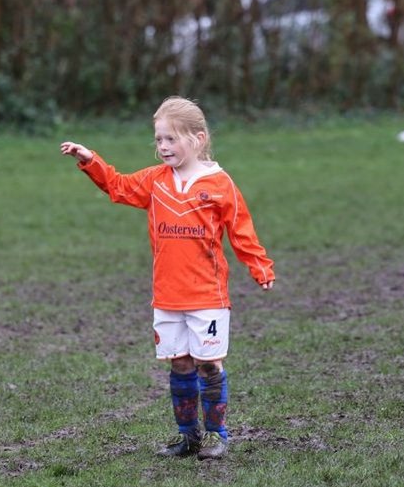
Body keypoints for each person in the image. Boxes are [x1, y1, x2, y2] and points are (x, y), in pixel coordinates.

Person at [60, 97, 275, 460]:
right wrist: (90, 160)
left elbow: (241, 231)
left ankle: (217, 435)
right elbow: (119, 186)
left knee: (209, 365)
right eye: (159, 139)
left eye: (171, 139)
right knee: (180, 363)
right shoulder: (155, 180)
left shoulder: (220, 184)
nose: (163, 146)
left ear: (198, 139)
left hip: (207, 295)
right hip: (167, 295)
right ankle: (188, 436)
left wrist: (260, 267)